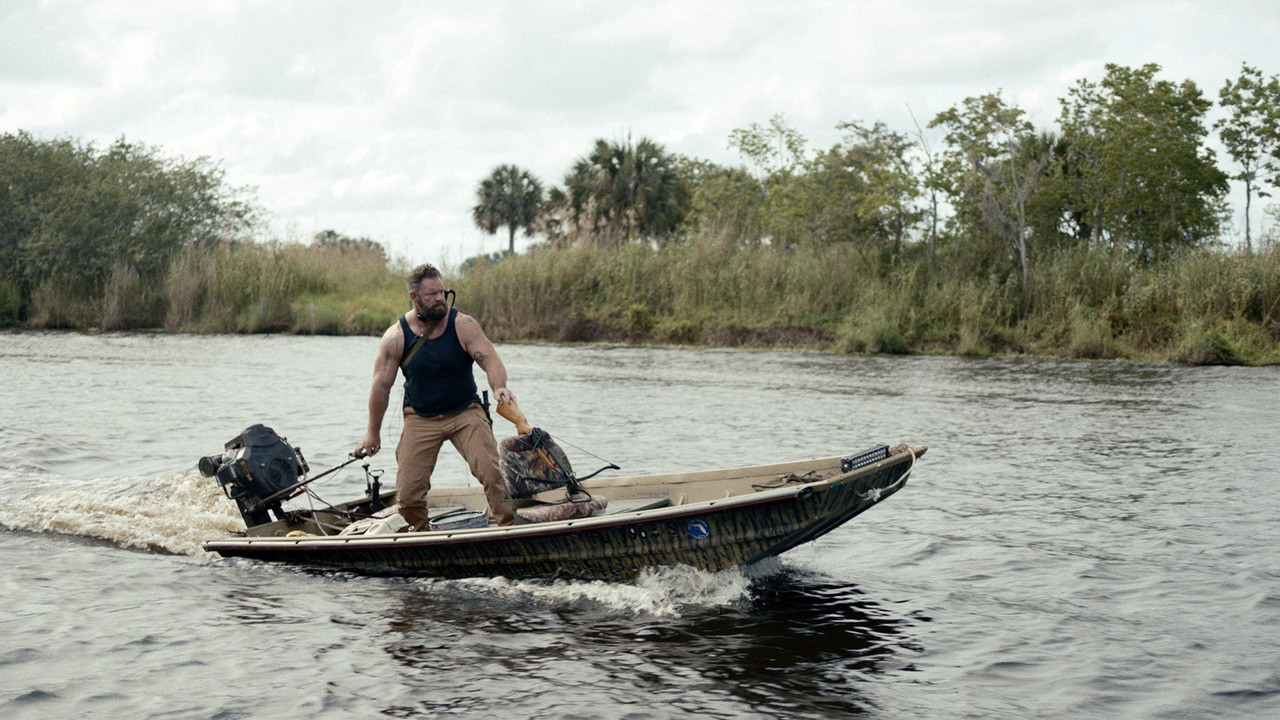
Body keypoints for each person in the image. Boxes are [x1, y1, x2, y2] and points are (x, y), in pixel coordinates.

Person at [354, 263, 515, 529]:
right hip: (420, 418)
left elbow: (491, 361)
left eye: (442, 291)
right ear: (414, 297)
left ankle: (508, 528)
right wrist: (372, 434)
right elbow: (380, 387)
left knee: (492, 473)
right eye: (432, 294)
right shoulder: (395, 337)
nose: (440, 298)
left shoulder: (463, 325)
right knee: (408, 493)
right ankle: (419, 536)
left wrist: (499, 386)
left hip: (465, 412)